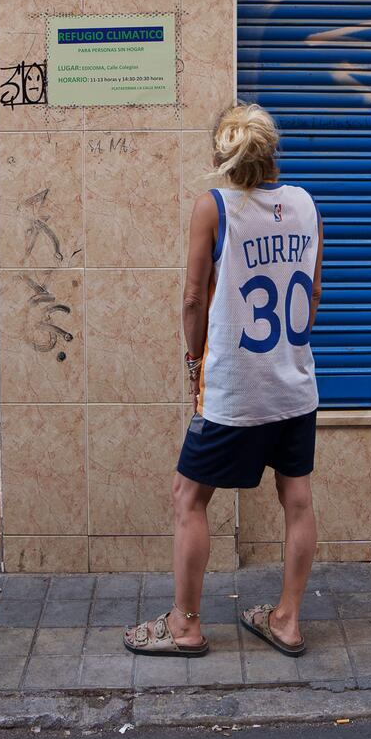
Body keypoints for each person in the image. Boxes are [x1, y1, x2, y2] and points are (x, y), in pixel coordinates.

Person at [125, 102, 322, 659]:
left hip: (236, 388)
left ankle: (185, 626)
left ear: (222, 155)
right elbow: (313, 294)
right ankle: (287, 620)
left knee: (188, 496)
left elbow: (194, 298)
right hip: (294, 384)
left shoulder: (213, 207)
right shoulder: (306, 205)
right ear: (272, 150)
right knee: (297, 498)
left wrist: (194, 360)